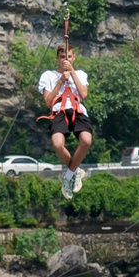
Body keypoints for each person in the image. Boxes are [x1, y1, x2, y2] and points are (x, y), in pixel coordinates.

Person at [37, 43, 95, 195]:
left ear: (73, 58)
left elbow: (83, 94)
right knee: (57, 143)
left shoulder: (81, 74)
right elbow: (48, 102)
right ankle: (75, 172)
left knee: (86, 140)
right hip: (59, 112)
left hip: (77, 110)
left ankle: (69, 174)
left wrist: (72, 72)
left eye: (69, 57)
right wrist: (61, 80)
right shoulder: (48, 76)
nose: (66, 60)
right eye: (63, 57)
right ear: (57, 58)